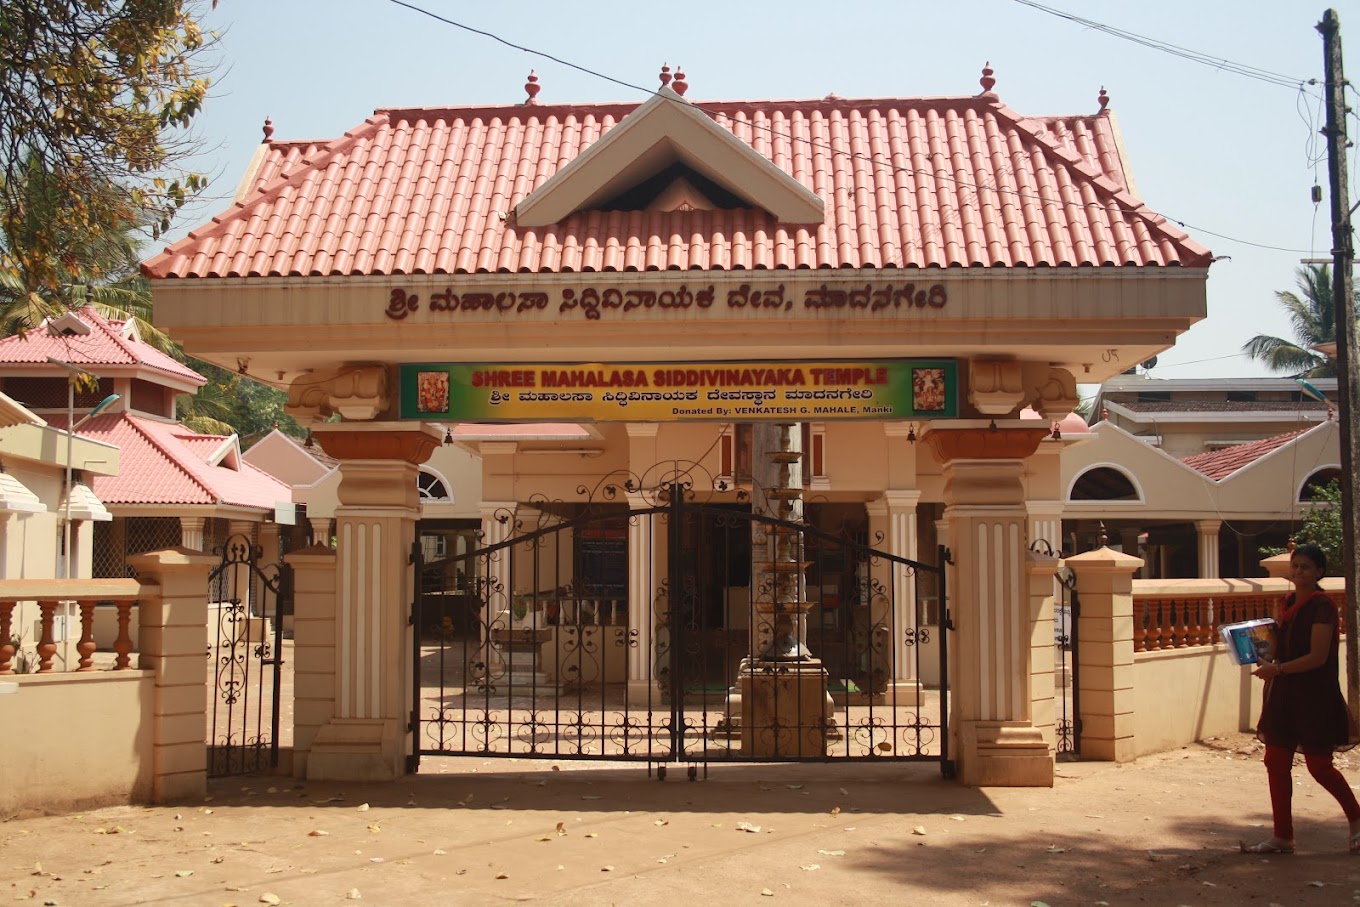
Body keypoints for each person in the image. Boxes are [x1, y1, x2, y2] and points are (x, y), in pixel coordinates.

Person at [1240, 543, 1360, 854]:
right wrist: (1258, 650)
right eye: (1295, 566)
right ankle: (1283, 836)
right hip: (1284, 695)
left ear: (1319, 571)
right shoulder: (1288, 602)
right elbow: (1283, 647)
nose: (1298, 572)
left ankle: (1357, 819)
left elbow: (1317, 657)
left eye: (1306, 567)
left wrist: (1276, 669)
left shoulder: (1322, 606)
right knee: (1275, 762)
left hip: (1313, 696)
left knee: (1319, 766)